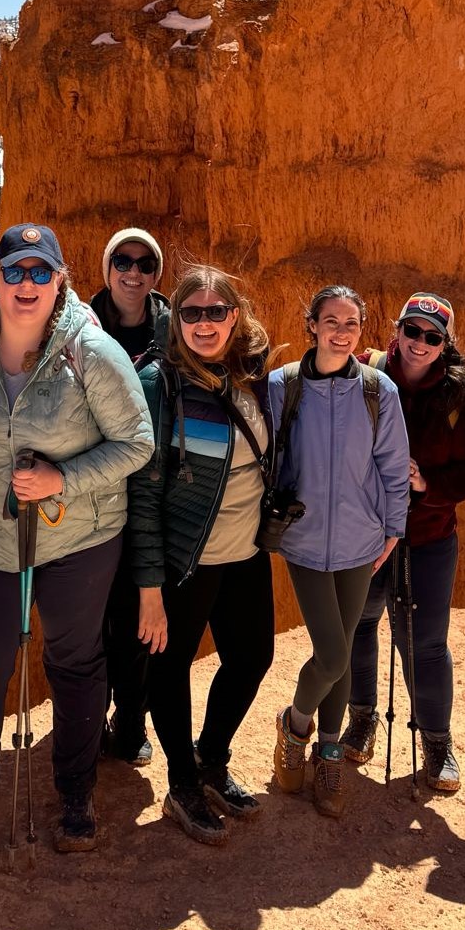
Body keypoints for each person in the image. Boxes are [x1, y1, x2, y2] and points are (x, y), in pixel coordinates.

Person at [0, 223, 154, 859]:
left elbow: (137, 442)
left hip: (80, 539)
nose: (26, 285)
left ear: (60, 282)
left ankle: (75, 791)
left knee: (75, 662)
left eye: (40, 272)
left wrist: (61, 479)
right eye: (14, 271)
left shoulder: (92, 352)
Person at [129, 266, 276, 846]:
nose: (205, 324)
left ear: (235, 317)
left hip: (244, 552)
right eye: (192, 313)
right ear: (177, 319)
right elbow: (141, 492)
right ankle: (182, 783)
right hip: (183, 557)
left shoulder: (249, 377)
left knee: (252, 657)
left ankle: (211, 759)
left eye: (217, 312)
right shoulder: (159, 384)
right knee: (171, 667)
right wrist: (148, 587)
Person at [270, 287, 412, 817]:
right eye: (330, 321)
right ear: (311, 325)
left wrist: (392, 527)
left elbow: (394, 465)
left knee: (345, 646)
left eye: (351, 322)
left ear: (361, 328)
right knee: (333, 652)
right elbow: (269, 458)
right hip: (304, 542)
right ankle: (295, 725)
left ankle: (328, 750)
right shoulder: (283, 387)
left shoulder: (379, 392)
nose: (341, 331)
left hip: (361, 541)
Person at [343, 294, 465, 791]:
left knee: (424, 643)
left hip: (427, 536)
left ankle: (437, 740)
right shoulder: (365, 373)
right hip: (366, 532)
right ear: (398, 329)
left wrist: (428, 485)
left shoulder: (458, 396)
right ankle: (361, 719)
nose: (419, 344)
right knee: (360, 626)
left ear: (444, 344)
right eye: (413, 331)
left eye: (432, 337)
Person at [91, 226, 171, 769]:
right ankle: (88, 717)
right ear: (108, 266)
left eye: (145, 264)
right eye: (123, 260)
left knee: (139, 618)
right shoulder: (79, 325)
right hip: (88, 493)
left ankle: (132, 719)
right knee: (88, 617)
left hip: (150, 496)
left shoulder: (178, 331)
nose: (133, 272)